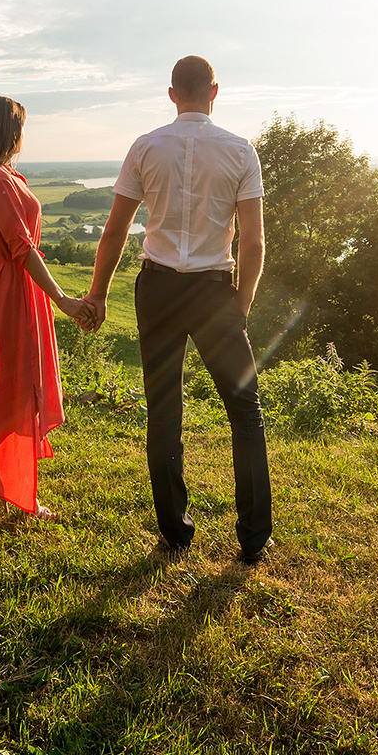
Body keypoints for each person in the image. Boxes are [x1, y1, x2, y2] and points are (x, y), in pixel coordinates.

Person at [81, 56, 273, 564]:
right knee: (245, 410)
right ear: (214, 91)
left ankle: (175, 533)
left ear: (172, 94)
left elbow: (116, 230)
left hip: (159, 290)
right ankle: (254, 537)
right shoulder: (240, 150)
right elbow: (253, 242)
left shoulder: (145, 146)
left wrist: (98, 295)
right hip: (216, 292)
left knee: (164, 410)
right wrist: (243, 302)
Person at [0, 94, 95, 524]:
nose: (24, 133)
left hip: (22, 289)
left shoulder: (9, 175)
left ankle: (19, 489)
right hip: (15, 290)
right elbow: (24, 250)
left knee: (26, 393)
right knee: (11, 398)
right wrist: (63, 298)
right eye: (21, 125)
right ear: (8, 131)